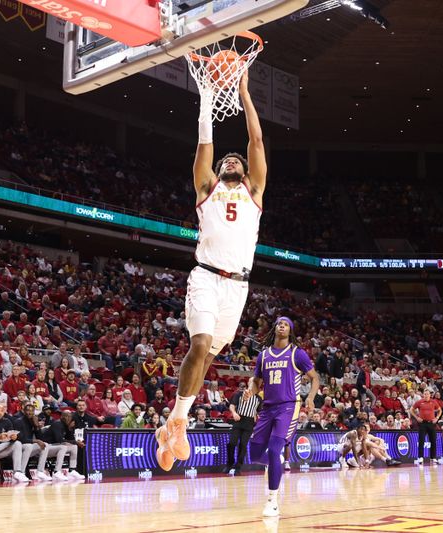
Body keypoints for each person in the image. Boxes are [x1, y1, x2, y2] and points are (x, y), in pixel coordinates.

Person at [156, 71, 268, 472]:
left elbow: (256, 140)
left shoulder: (255, 192)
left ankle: (170, 422)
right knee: (199, 344)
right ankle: (181, 421)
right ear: (220, 171)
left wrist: (244, 93)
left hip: (237, 289)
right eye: (227, 160)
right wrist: (206, 97)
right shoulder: (208, 188)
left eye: (237, 160)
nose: (233, 160)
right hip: (205, 275)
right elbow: (206, 143)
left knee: (206, 361)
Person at [246, 317, 319, 517]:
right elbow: (256, 382)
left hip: (289, 407)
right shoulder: (263, 355)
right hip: (267, 408)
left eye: (286, 324)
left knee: (275, 448)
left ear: (290, 330)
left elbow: (315, 378)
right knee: (253, 454)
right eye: (279, 323)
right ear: (274, 328)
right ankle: (275, 461)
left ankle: (272, 501)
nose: (282, 325)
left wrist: (310, 397)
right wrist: (250, 391)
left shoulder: (297, 353)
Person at [224, 378, 261, 476]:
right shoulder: (239, 394)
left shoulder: (258, 398)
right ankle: (229, 463)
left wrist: (258, 417)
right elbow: (232, 406)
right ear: (248, 383)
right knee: (232, 443)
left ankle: (238, 467)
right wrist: (234, 413)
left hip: (249, 423)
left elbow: (259, 411)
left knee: (243, 445)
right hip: (238, 420)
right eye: (251, 382)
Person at [410, 389, 442, 464]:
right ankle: (420, 457)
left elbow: (440, 410)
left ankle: (433, 458)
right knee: (421, 441)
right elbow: (411, 410)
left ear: (430, 395)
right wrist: (417, 417)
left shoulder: (433, 402)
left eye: (427, 394)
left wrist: (437, 418)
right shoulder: (420, 402)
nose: (426, 395)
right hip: (422, 424)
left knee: (433, 440)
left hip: (431, 423)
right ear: (423, 395)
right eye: (425, 394)